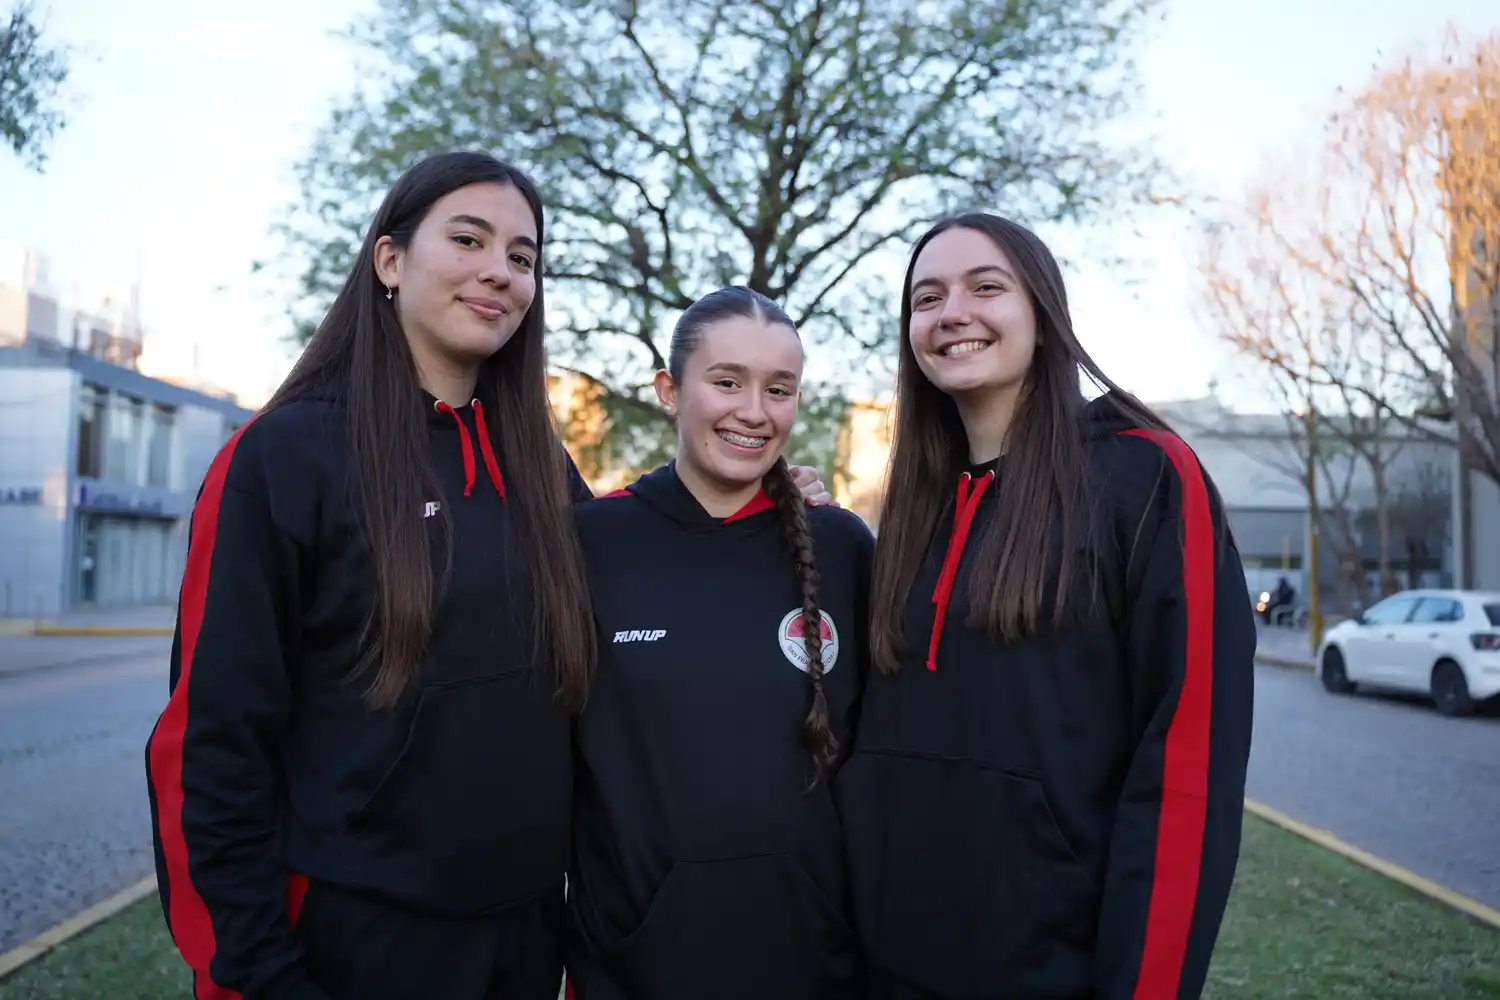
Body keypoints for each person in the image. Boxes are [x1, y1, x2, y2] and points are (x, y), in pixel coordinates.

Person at [142, 150, 834, 1000]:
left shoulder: (540, 466)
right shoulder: (283, 458)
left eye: (521, 256)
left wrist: (771, 507)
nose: (499, 272)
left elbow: (655, 558)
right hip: (353, 944)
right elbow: (211, 747)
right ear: (389, 260)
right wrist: (258, 974)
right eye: (468, 240)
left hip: (525, 943)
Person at [836, 214, 1256, 1000]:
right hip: (889, 973)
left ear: (1043, 311)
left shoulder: (1148, 477)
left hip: (1055, 974)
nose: (952, 312)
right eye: (927, 298)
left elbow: (1186, 771)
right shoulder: (911, 512)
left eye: (985, 287)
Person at [564, 286, 873, 1000]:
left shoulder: (842, 547)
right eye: (727, 382)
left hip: (812, 964)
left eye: (779, 389)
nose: (754, 411)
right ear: (670, 391)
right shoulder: (589, 542)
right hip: (634, 967)